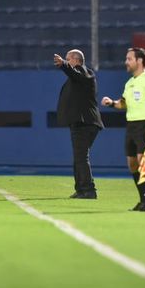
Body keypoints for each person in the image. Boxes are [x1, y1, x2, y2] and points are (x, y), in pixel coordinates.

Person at [101, 47, 145, 212]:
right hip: (131, 125)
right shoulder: (129, 83)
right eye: (126, 59)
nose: (126, 62)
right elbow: (124, 103)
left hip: (144, 124)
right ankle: (142, 200)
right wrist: (112, 103)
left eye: (129, 59)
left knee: (143, 161)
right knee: (132, 164)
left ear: (139, 61)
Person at [54, 49, 104, 199]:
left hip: (84, 123)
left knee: (81, 157)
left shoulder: (84, 72)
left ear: (76, 61)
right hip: (81, 122)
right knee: (79, 156)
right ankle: (81, 189)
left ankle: (89, 190)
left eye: (68, 59)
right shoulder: (77, 78)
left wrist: (63, 64)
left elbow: (74, 73)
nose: (66, 61)